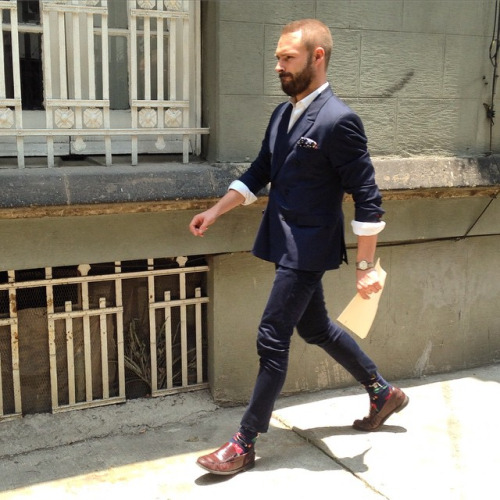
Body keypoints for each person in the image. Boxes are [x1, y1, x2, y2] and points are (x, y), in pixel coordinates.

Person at [189, 19, 408, 476]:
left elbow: (367, 196)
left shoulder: (339, 120)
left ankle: (244, 442)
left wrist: (365, 265)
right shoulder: (281, 114)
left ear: (317, 57)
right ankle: (382, 392)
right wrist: (216, 210)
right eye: (277, 58)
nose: (278, 66)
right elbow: (260, 170)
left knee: (272, 336)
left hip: (309, 247)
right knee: (316, 328)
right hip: (282, 238)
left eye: (287, 58)